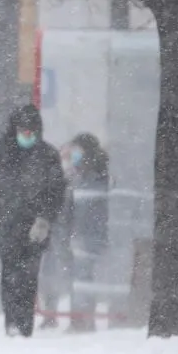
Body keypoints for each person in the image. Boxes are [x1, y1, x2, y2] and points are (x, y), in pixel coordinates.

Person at [0, 105, 66, 338]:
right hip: (5, 224)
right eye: (23, 131)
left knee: (28, 277)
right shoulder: (1, 153)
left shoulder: (48, 156)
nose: (27, 136)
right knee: (10, 274)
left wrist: (44, 219)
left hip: (34, 228)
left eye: (31, 132)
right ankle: (12, 322)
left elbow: (56, 191)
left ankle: (24, 325)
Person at [64, 133, 110, 332]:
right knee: (81, 277)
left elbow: (88, 206)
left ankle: (82, 319)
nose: (73, 154)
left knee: (83, 277)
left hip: (90, 234)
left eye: (77, 150)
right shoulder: (79, 174)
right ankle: (81, 318)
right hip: (80, 233)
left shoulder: (96, 176)